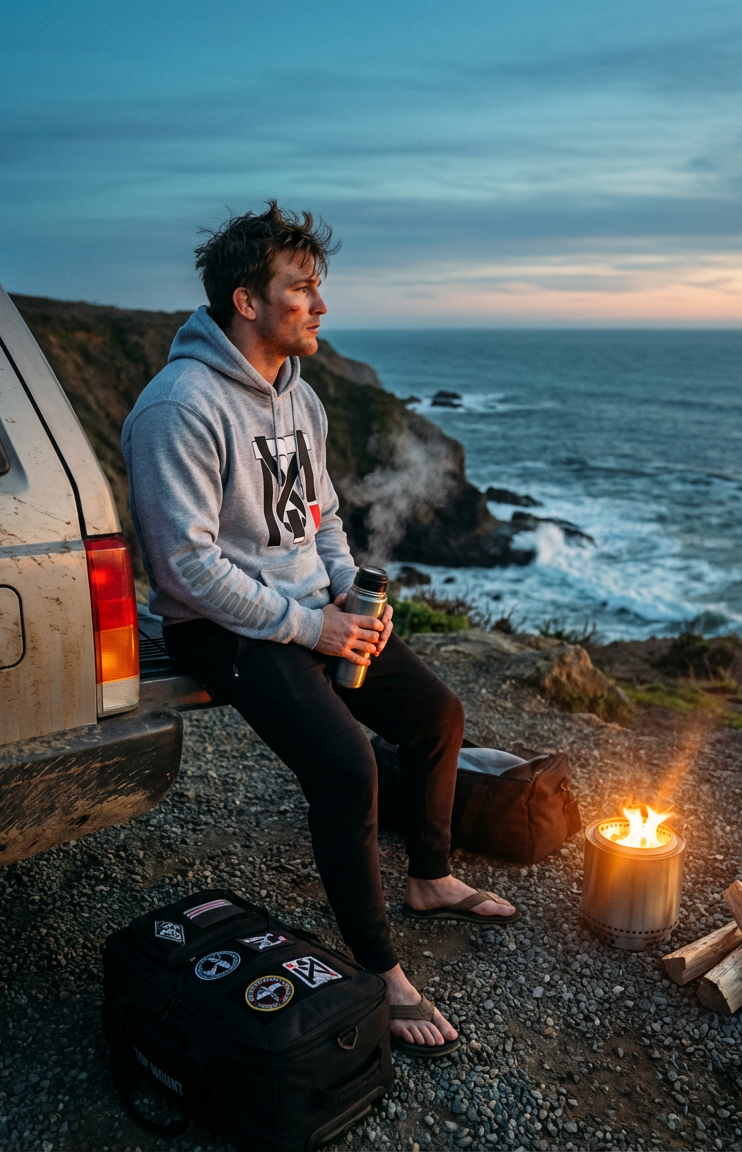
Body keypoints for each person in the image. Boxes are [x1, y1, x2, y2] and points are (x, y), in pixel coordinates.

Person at [121, 202, 518, 1055]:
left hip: (312, 612)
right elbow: (186, 569)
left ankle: (432, 877)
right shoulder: (179, 408)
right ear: (247, 302)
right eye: (301, 290)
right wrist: (312, 630)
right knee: (345, 771)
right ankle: (377, 966)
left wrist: (350, 597)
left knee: (436, 716)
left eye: (318, 288)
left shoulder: (301, 399)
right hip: (221, 630)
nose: (320, 306)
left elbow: (322, 515)